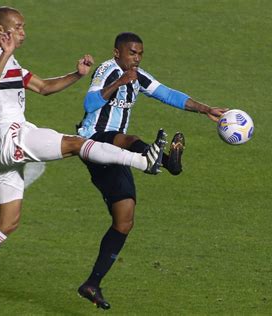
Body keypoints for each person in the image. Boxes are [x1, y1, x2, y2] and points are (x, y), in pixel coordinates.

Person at [0, 9, 165, 309]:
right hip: (10, 136)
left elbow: (44, 88)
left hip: (0, 149)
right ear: (0, 30)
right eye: (18, 28)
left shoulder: (10, 62)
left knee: (8, 222)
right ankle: (143, 162)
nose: (23, 33)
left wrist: (77, 75)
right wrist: (5, 54)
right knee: (77, 144)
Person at [76, 32, 229, 309]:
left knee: (124, 219)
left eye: (140, 53)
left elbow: (168, 94)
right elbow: (90, 104)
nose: (136, 58)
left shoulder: (139, 76)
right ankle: (165, 160)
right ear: (117, 53)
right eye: (132, 53)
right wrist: (121, 81)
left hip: (117, 155)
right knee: (131, 139)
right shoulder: (106, 70)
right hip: (93, 141)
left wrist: (206, 109)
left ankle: (92, 283)